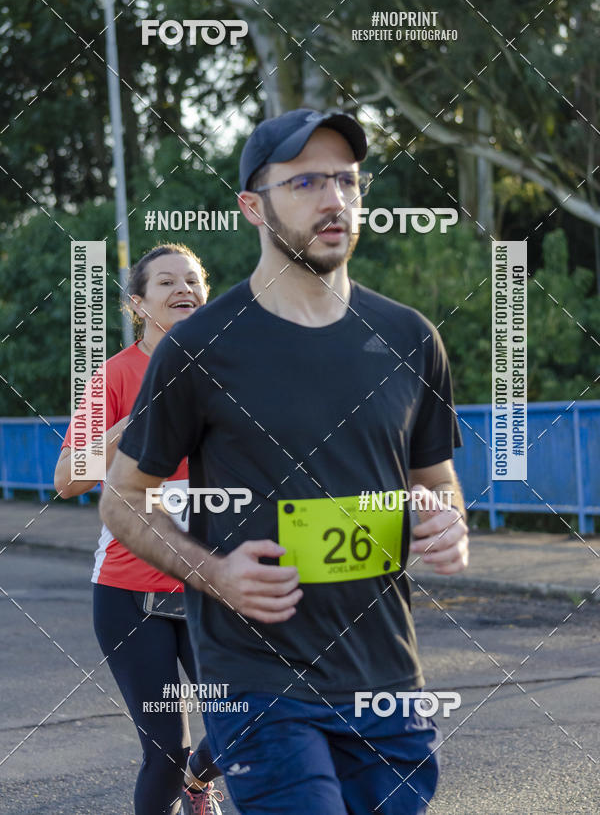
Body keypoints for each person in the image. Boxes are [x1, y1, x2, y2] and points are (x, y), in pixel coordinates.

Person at [100, 108, 470, 815]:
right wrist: (215, 574)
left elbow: (436, 481)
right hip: (260, 681)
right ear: (252, 206)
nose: (334, 200)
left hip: (387, 679)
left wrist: (447, 519)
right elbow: (122, 499)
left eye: (346, 181)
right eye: (304, 183)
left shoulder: (410, 338)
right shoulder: (201, 348)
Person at [54, 244, 224, 815]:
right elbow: (67, 479)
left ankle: (198, 783)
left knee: (252, 719)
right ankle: (182, 777)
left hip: (214, 587)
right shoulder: (115, 375)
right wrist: (133, 423)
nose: (184, 289)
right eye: (167, 282)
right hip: (131, 594)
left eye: (193, 280)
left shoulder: (231, 371)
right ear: (137, 304)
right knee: (165, 751)